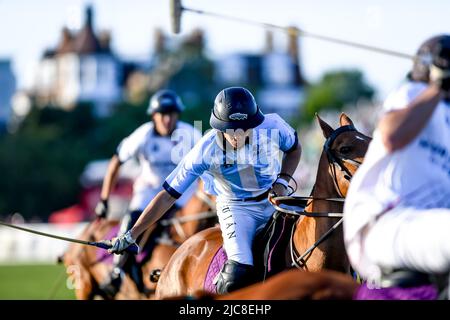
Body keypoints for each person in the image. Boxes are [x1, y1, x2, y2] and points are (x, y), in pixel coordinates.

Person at [105, 86, 302, 294]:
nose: (239, 136)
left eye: (246, 128)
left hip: (275, 200)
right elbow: (167, 196)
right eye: (231, 130)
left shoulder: (273, 125)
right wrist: (131, 235)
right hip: (236, 209)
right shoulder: (205, 149)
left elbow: (294, 149)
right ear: (219, 127)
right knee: (236, 277)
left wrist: (283, 181)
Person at [343, 35, 450, 292]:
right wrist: (437, 88)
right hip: (387, 222)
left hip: (429, 228)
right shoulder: (412, 93)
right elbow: (391, 136)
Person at [95, 89, 201, 298]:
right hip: (149, 190)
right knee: (131, 223)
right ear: (154, 115)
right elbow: (116, 161)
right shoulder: (142, 135)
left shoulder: (190, 134)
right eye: (163, 114)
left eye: (172, 114)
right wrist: (104, 199)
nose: (168, 119)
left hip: (182, 192)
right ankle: (118, 272)